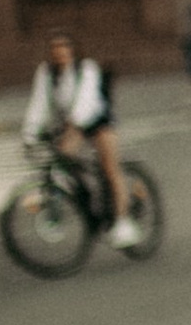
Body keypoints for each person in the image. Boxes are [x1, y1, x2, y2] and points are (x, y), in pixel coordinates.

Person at [22, 31, 142, 250]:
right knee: (63, 161)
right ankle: (85, 201)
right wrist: (29, 133)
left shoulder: (87, 69)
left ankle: (124, 222)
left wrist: (72, 130)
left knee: (110, 168)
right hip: (70, 124)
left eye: (65, 49)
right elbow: (38, 104)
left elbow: (86, 102)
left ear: (73, 50)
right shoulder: (46, 73)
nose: (60, 55)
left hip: (96, 119)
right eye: (56, 51)